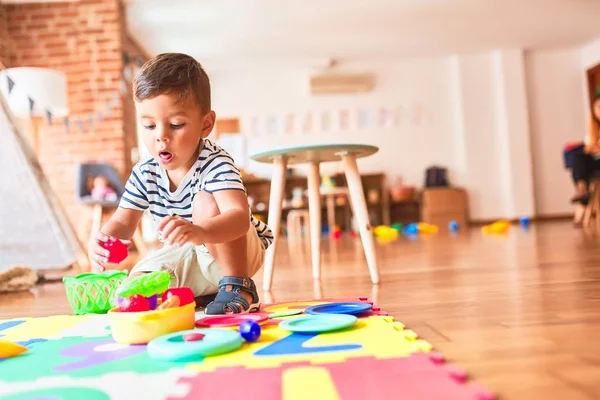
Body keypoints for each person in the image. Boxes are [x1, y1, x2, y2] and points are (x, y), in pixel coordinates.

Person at [87, 53, 273, 315]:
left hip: (234, 253)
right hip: (185, 254)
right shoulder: (145, 171)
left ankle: (238, 287)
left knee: (205, 201)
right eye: (149, 126)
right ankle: (198, 295)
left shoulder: (216, 162)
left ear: (205, 124)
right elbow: (124, 222)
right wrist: (105, 238)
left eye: (176, 124)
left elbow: (239, 218)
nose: (161, 136)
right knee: (132, 291)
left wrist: (201, 231)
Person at [571, 95, 600, 207]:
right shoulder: (593, 127)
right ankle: (582, 189)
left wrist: (595, 147)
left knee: (581, 160)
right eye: (598, 107)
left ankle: (583, 195)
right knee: (578, 157)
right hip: (595, 160)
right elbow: (588, 149)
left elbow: (593, 147)